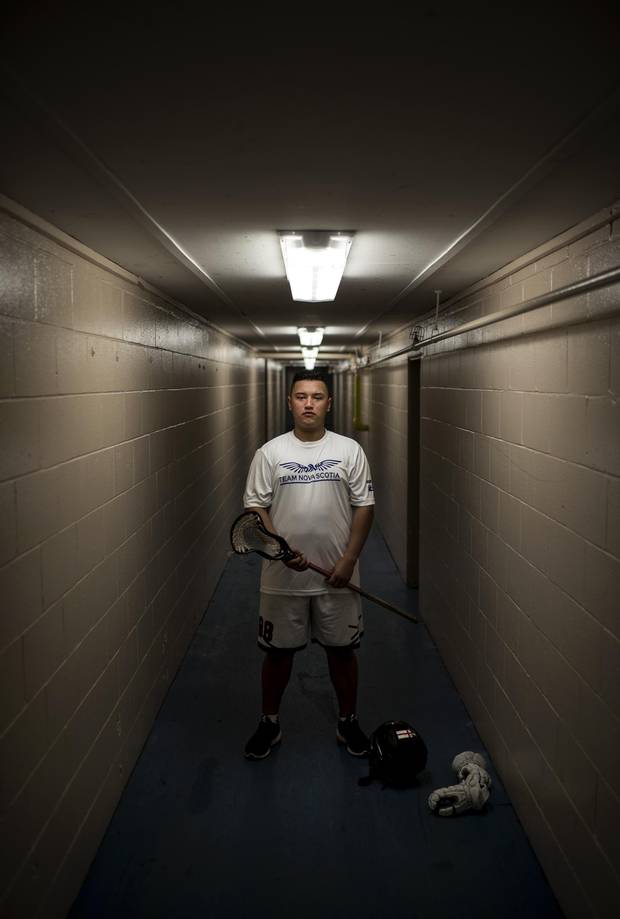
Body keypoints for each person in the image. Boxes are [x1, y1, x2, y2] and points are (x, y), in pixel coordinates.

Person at [242, 370, 375, 760]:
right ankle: (270, 723)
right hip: (282, 577)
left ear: (328, 404)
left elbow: (364, 506)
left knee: (342, 652)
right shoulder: (270, 453)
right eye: (301, 397)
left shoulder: (350, 450)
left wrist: (349, 560)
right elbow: (255, 507)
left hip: (338, 575)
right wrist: (281, 549)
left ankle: (347, 721)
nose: (309, 403)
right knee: (278, 653)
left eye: (317, 397)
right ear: (290, 402)